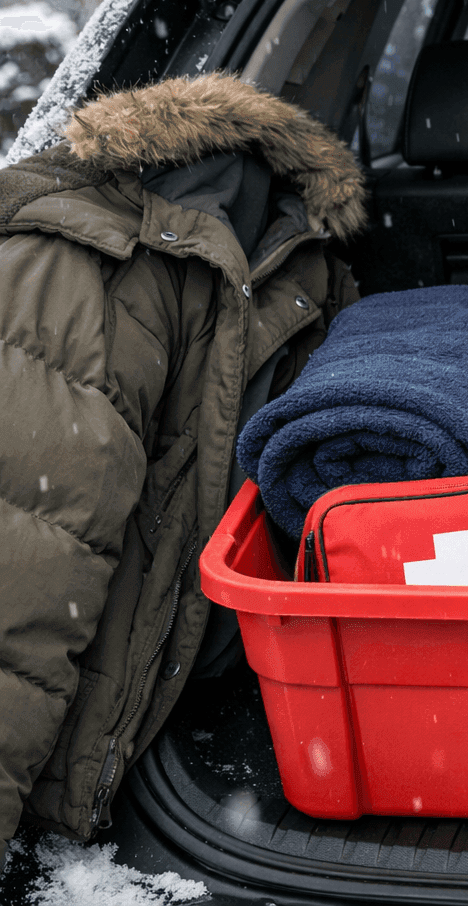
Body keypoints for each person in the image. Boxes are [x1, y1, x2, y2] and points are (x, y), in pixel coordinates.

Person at [0, 73, 367, 859]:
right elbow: (23, 566)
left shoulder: (305, 258)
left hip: (221, 686)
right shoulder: (75, 269)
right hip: (86, 760)